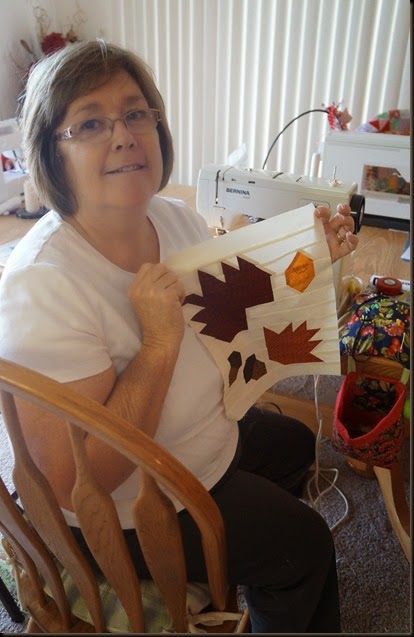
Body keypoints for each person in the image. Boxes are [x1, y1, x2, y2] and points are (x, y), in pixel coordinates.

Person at [0, 39, 358, 633]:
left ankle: (250, 578)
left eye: (135, 113)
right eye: (90, 123)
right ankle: (272, 577)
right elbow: (79, 483)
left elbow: (235, 304)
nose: (123, 134)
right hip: (129, 508)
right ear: (51, 154)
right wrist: (159, 344)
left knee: (297, 445)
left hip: (195, 439)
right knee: (307, 546)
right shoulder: (42, 286)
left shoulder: (174, 217)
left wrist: (307, 253)